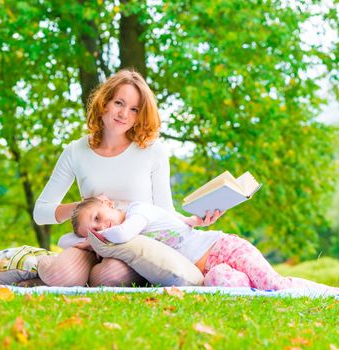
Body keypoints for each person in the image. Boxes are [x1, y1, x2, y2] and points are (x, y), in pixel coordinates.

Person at [33, 69, 223, 287]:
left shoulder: (152, 151)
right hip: (92, 241)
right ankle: (32, 272)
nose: (124, 114)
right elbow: (41, 212)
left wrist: (194, 221)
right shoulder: (76, 151)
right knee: (60, 275)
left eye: (134, 109)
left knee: (108, 276)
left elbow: (164, 210)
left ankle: (92, 275)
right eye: (119, 103)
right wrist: (85, 207)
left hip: (135, 242)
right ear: (104, 103)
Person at [71, 197, 339, 295]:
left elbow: (121, 233)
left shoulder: (136, 213)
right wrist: (195, 219)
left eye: (97, 217)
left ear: (108, 203)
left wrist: (92, 240)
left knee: (274, 286)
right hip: (210, 270)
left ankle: (328, 293)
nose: (101, 229)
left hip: (223, 247)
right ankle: (255, 288)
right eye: (93, 230)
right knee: (225, 285)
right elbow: (179, 221)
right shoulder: (132, 233)